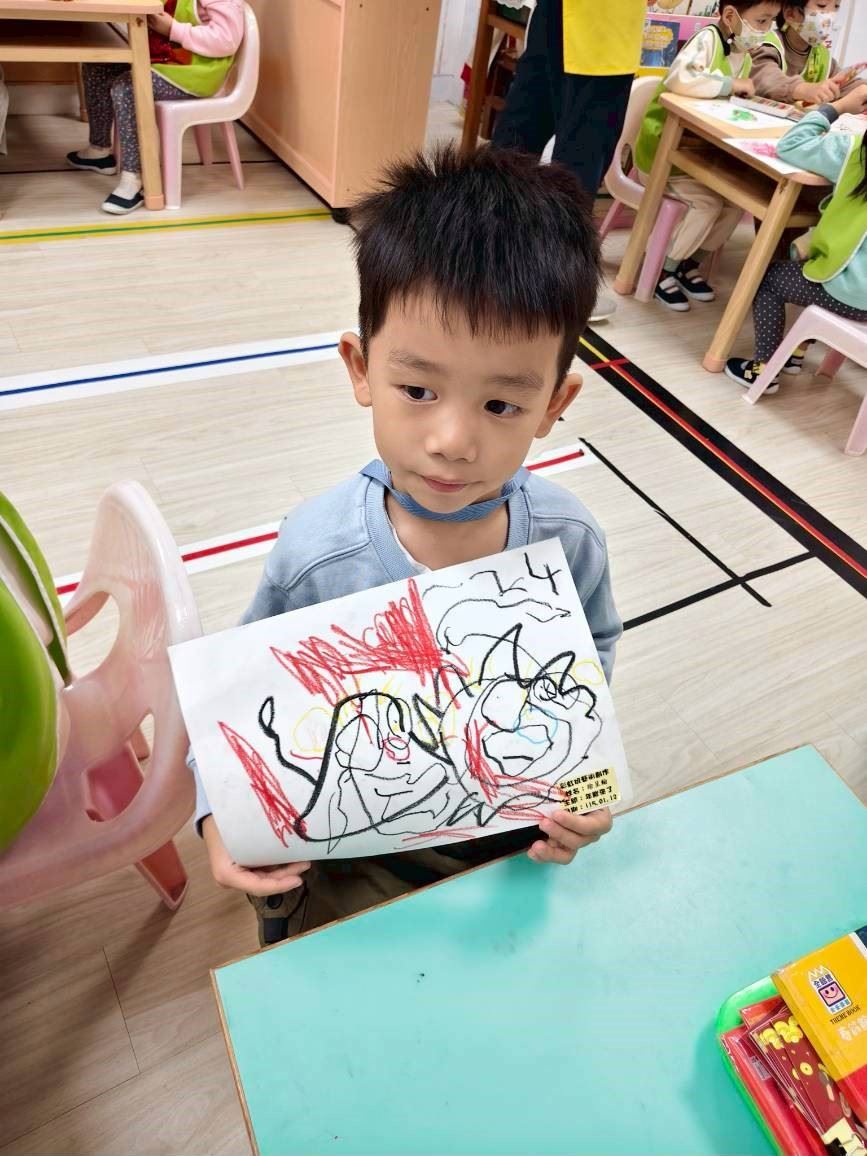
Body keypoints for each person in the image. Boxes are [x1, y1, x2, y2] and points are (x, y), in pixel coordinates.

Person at [195, 144, 621, 947]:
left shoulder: (567, 541)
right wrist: (215, 813)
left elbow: (590, 654)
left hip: (505, 842)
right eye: (417, 390)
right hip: (351, 852)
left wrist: (581, 784)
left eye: (501, 404)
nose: (452, 440)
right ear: (360, 369)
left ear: (554, 404)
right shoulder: (318, 551)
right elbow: (236, 700)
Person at [491, 0, 646, 322]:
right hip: (605, 24)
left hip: (559, 13)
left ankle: (481, 252)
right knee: (583, 154)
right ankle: (556, 287)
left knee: (523, 129)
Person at [634, 1, 781, 312]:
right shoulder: (707, 40)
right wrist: (731, 84)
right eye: (761, 21)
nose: (766, 30)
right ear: (730, 16)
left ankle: (687, 263)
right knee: (708, 204)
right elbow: (681, 79)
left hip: (696, 155)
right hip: (664, 153)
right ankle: (663, 268)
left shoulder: (742, 54)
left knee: (734, 205)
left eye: (771, 22)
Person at [725, 86, 867, 392]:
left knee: (769, 278)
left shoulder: (854, 152)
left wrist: (837, 106)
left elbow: (792, 144)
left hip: (853, 295)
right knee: (815, 267)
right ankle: (796, 352)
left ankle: (763, 369)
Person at [66, 0, 244, 215]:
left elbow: (226, 40)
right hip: (162, 59)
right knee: (98, 65)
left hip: (194, 72)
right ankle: (99, 150)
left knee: (128, 88)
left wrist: (173, 29)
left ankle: (134, 178)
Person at [751, 1, 863, 106]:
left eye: (836, 7)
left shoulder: (821, 55)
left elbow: (845, 85)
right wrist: (802, 89)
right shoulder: (767, 44)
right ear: (790, 14)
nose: (830, 16)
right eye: (822, 5)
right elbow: (764, 77)